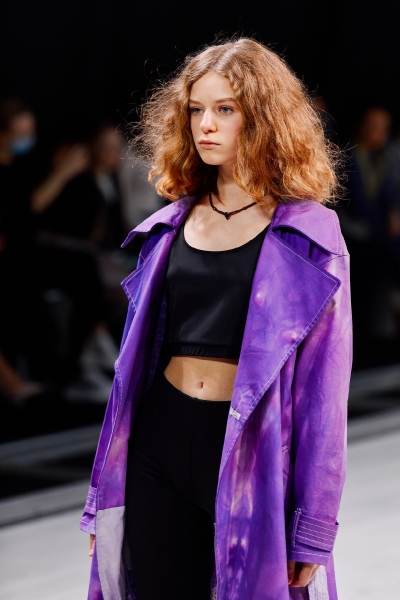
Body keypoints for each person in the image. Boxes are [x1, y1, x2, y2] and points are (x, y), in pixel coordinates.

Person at [80, 39, 352, 600]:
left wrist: (314, 529)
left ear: (264, 116)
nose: (206, 125)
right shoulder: (169, 227)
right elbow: (128, 377)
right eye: (196, 109)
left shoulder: (309, 234)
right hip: (158, 440)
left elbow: (325, 395)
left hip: (251, 451)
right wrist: (100, 496)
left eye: (225, 109)